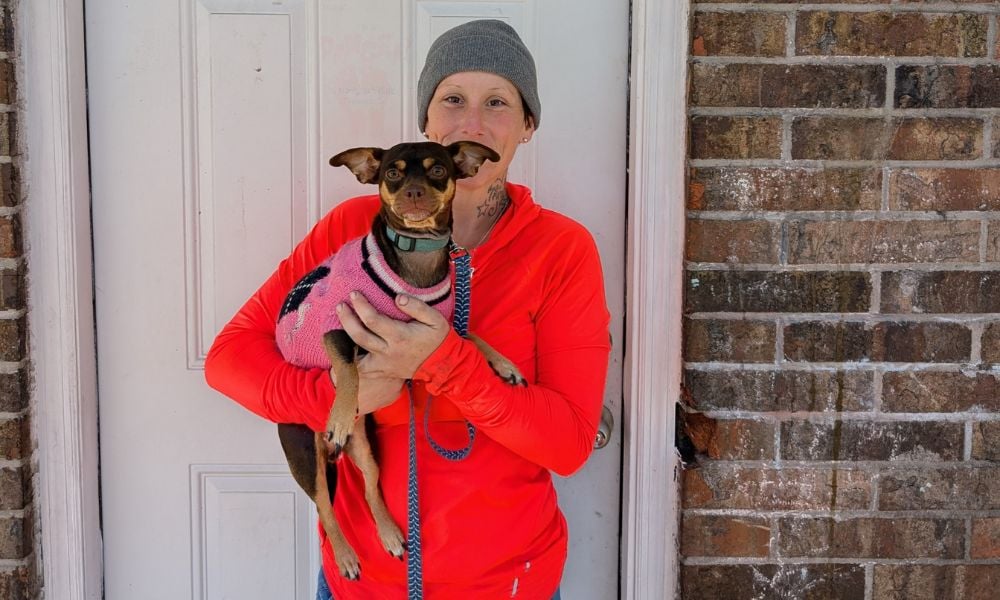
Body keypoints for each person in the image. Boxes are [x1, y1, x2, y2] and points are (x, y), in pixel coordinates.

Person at [205, 19, 610, 600]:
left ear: (527, 125)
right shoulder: (352, 231)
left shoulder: (561, 250)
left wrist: (448, 361)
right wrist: (339, 398)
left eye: (497, 101)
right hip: (363, 581)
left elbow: (569, 443)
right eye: (452, 100)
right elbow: (230, 358)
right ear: (427, 122)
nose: (471, 121)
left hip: (507, 583)